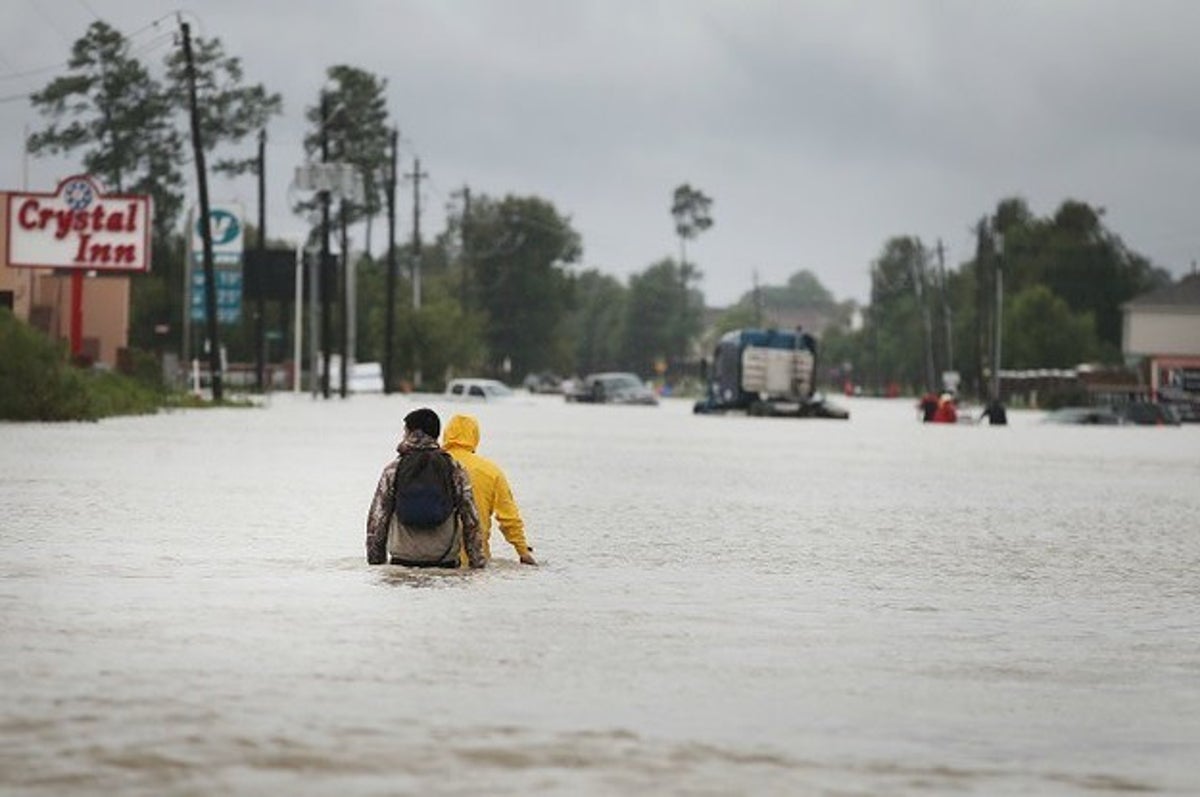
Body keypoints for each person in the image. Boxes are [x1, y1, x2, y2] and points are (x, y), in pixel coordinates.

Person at [366, 407, 486, 568]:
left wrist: (376, 563)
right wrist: (476, 563)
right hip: (445, 560)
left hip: (402, 560)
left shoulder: (394, 468)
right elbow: (471, 518)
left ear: (411, 433)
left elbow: (378, 518)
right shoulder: (454, 467)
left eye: (404, 432)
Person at [442, 413, 537, 566]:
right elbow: (509, 518)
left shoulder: (431, 465)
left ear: (446, 434)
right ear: (475, 436)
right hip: (476, 559)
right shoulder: (491, 471)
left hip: (435, 558)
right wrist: (523, 552)